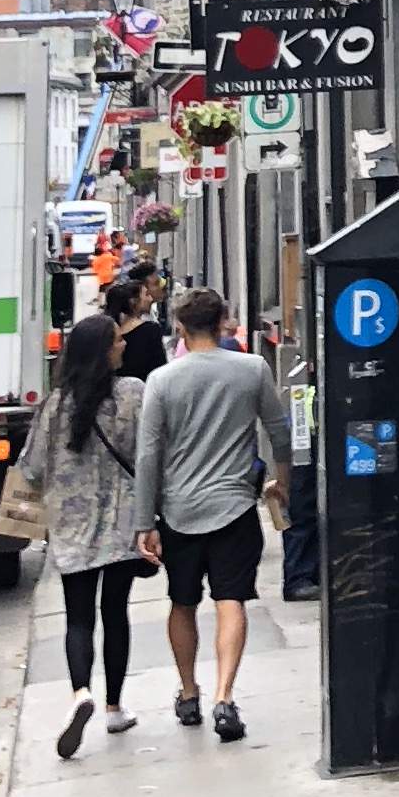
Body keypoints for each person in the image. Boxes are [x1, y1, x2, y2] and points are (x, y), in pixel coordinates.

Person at [133, 284, 289, 740]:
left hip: (178, 510)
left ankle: (188, 692)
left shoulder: (162, 380)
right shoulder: (252, 369)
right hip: (235, 506)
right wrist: (282, 482)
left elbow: (148, 455)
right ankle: (224, 696)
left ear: (179, 327)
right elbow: (279, 432)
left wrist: (145, 521)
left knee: (182, 602)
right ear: (223, 323)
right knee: (230, 600)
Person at [19, 314, 144, 757]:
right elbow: (149, 454)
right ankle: (114, 707)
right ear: (102, 351)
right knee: (116, 611)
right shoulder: (132, 395)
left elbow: (32, 467)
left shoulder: (54, 406)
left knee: (78, 616)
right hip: (123, 520)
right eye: (117, 341)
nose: (123, 346)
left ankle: (79, 693)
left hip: (71, 526)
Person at [106, 268, 165, 383]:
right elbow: (160, 368)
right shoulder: (150, 330)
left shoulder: (109, 329)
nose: (150, 299)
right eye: (146, 295)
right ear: (133, 302)